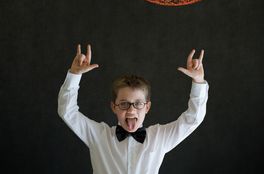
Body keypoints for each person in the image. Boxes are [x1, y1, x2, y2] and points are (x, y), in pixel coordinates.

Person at [58, 44, 209, 174]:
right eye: (124, 104)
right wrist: (74, 75)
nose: (131, 110)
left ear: (147, 107)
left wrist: (198, 81)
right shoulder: (98, 136)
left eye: (138, 103)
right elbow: (67, 112)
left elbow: (193, 119)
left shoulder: (159, 137)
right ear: (113, 107)